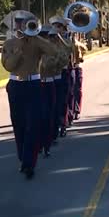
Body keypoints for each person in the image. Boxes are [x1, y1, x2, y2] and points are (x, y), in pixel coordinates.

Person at [1, 14, 55, 179]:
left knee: (33, 124)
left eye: (24, 23)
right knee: (19, 125)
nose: (21, 26)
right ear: (14, 26)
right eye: (18, 23)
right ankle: (23, 157)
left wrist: (36, 38)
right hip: (16, 85)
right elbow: (8, 66)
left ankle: (28, 163)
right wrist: (18, 52)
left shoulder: (36, 42)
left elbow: (53, 51)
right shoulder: (9, 43)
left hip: (33, 85)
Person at [39, 25, 69, 157]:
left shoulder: (55, 50)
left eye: (49, 36)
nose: (47, 39)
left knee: (51, 113)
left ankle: (49, 140)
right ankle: (41, 142)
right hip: (36, 85)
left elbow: (65, 57)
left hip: (51, 83)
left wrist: (60, 41)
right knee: (38, 116)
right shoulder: (36, 48)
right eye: (46, 36)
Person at [49, 15, 74, 138]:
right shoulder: (49, 40)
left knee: (62, 101)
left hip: (63, 74)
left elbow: (70, 49)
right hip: (50, 76)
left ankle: (63, 124)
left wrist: (60, 39)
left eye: (59, 27)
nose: (56, 29)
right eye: (54, 26)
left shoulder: (66, 41)